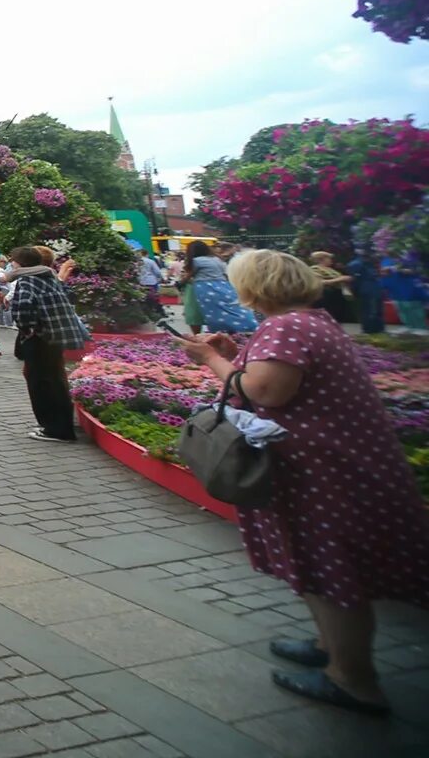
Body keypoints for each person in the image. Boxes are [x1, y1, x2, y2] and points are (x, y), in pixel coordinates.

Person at [179, 250, 429, 715]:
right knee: (320, 567)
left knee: (332, 571)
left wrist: (211, 358)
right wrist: (238, 356)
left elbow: (264, 391)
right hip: (326, 463)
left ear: (254, 287)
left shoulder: (287, 327)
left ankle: (352, 678)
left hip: (322, 471)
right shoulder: (306, 322)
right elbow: (272, 378)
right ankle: (331, 647)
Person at [2, 247, 90, 442]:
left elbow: (23, 311)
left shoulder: (27, 280)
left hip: (39, 338)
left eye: (13, 261)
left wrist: (28, 330)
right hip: (55, 337)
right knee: (56, 380)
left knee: (41, 383)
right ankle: (62, 424)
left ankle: (54, 428)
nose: (11, 264)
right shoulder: (48, 276)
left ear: (20, 263)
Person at [184, 241, 259, 333]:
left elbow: (188, 276)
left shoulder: (196, 261)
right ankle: (243, 324)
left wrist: (181, 282)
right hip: (223, 285)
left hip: (205, 287)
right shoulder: (217, 260)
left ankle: (219, 329)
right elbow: (226, 275)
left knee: (212, 310)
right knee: (230, 306)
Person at [380, 259, 428, 334]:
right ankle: (409, 327)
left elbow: (413, 271)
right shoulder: (387, 264)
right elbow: (383, 281)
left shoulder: (405, 260)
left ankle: (421, 328)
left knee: (415, 313)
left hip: (412, 296)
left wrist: (399, 270)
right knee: (403, 313)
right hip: (398, 297)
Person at [308, 251, 356, 326]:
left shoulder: (331, 270)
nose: (331, 260)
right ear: (321, 259)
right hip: (325, 296)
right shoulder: (315, 269)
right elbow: (319, 282)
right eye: (328, 258)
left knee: (337, 316)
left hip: (337, 295)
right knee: (327, 316)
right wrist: (339, 279)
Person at [345, 253, 385, 335]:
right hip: (367, 290)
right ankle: (370, 330)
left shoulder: (368, 264)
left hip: (373, 289)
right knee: (370, 311)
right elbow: (354, 279)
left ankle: (377, 329)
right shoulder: (357, 264)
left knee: (375, 310)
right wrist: (354, 290)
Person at [134, 246, 165, 318]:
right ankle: (156, 311)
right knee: (154, 297)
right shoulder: (151, 261)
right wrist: (161, 278)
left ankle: (145, 312)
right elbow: (157, 272)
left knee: (142, 297)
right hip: (151, 281)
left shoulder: (135, 262)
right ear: (146, 254)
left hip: (140, 282)